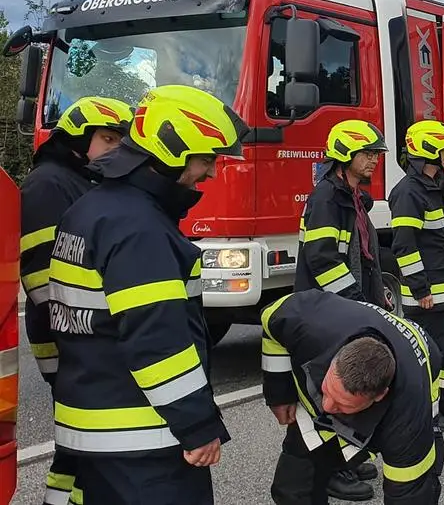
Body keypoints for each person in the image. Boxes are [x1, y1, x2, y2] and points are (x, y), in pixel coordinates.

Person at [45, 84, 248, 504]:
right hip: (142, 442)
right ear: (173, 151)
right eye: (207, 159)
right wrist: (197, 427)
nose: (211, 173)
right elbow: (159, 342)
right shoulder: (140, 229)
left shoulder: (89, 209)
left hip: (92, 428)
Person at [20, 96, 133, 505]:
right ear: (78, 140)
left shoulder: (79, 179)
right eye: (107, 139)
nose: (116, 148)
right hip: (64, 334)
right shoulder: (48, 183)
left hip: (81, 331)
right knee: (85, 437)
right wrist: (78, 334)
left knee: (79, 442)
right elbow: (41, 274)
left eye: (121, 140)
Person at [261, 289, 444, 505]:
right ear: (335, 358)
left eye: (342, 405)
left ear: (379, 396)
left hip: (422, 359)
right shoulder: (309, 323)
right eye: (327, 391)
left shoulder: (408, 417)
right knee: (292, 488)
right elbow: (269, 319)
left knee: (422, 474)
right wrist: (279, 392)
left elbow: (409, 496)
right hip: (355, 325)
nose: (327, 407)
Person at [293, 119, 391, 500]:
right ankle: (330, 469)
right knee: (328, 394)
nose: (373, 161)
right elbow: (322, 261)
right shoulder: (326, 199)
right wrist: (354, 305)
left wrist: (375, 293)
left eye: (375, 154)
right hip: (328, 312)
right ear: (344, 156)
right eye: (367, 154)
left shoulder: (349, 196)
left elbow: (364, 255)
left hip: (345, 307)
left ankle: (344, 458)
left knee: (347, 391)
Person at [387, 120, 444, 433]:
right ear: (429, 152)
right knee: (430, 354)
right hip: (429, 293)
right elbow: (405, 247)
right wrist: (420, 288)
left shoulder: (436, 187)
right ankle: (429, 412)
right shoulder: (409, 193)